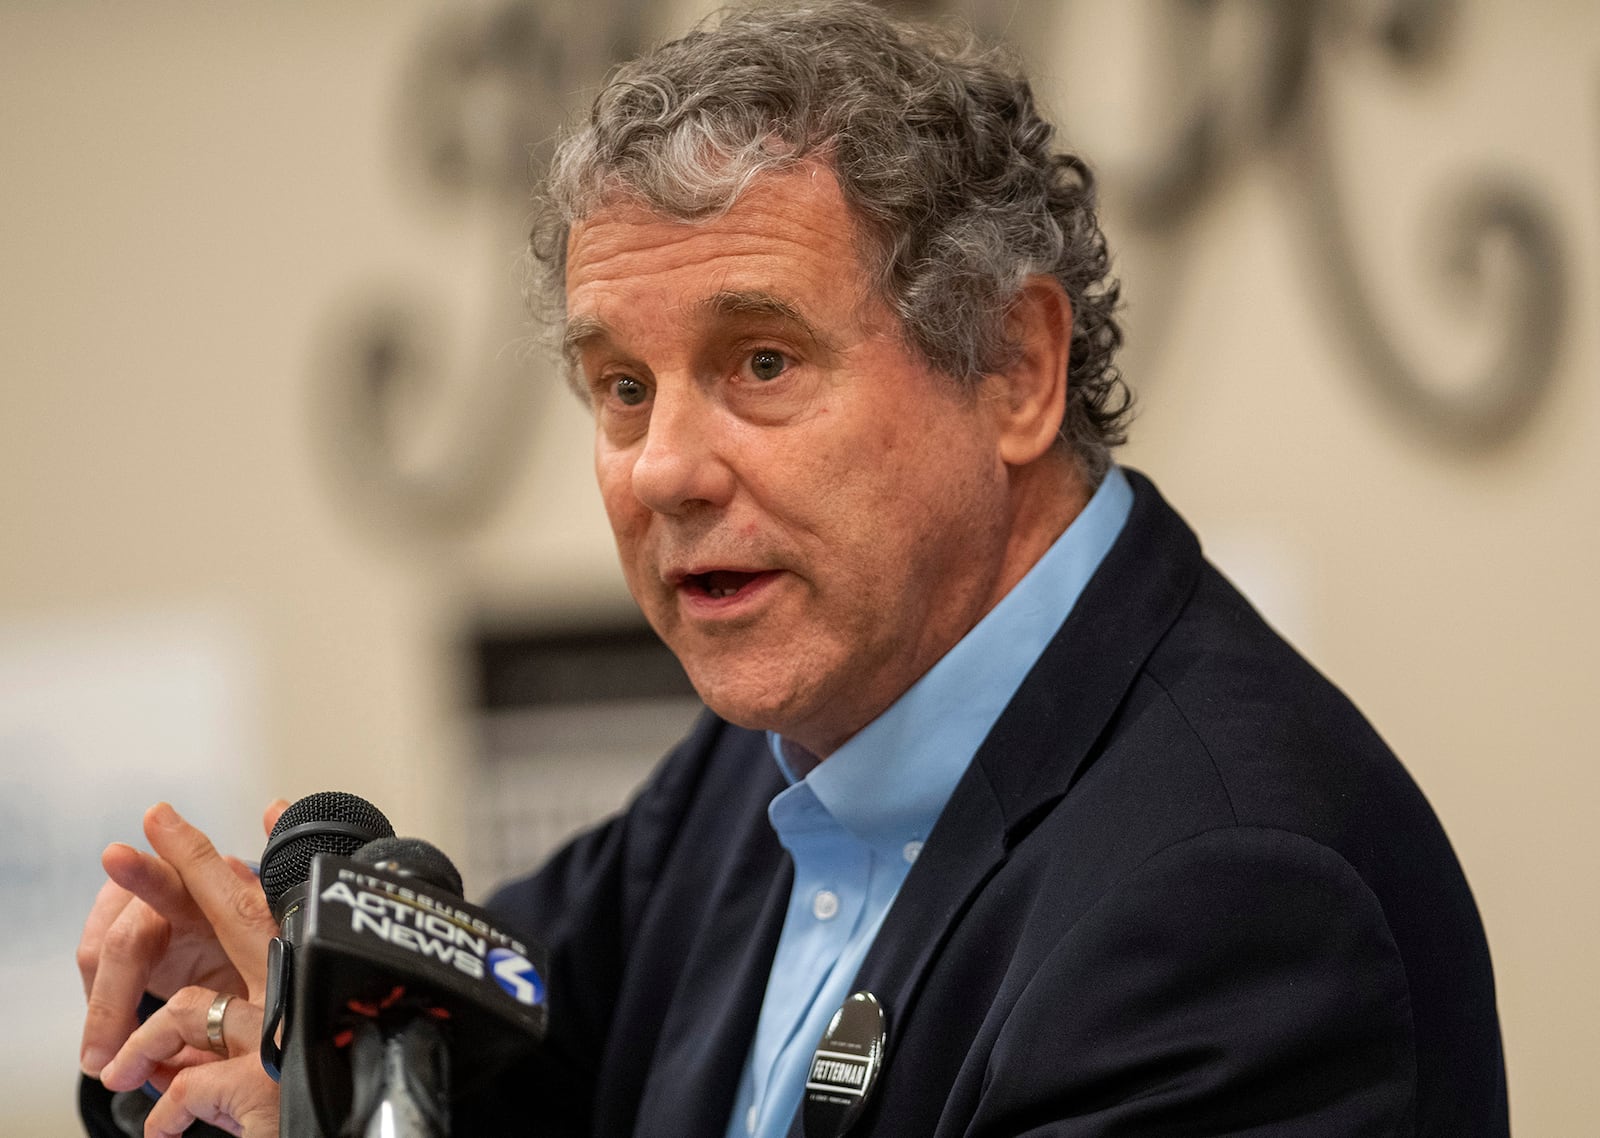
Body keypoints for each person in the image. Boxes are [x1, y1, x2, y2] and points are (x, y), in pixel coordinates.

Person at [77, 3, 1507, 1135]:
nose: (661, 469)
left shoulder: (1236, 901)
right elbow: (494, 1045)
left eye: (761, 361)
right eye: (621, 386)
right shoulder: (766, 755)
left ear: (1014, 367)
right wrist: (266, 1012)